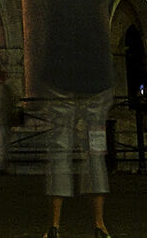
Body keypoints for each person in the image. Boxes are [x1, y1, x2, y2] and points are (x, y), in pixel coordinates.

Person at [45, 93, 110, 238]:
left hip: (64, 91)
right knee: (95, 156)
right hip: (93, 92)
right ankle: (100, 226)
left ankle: (54, 227)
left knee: (59, 157)